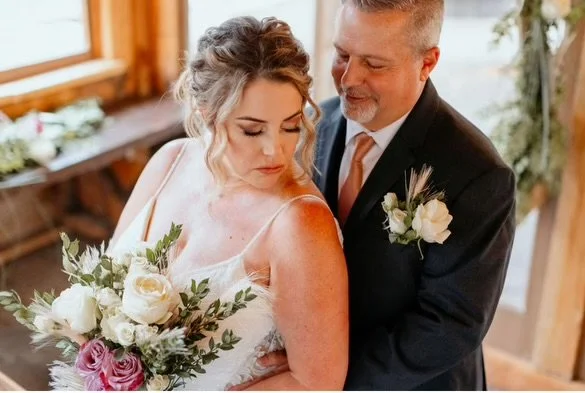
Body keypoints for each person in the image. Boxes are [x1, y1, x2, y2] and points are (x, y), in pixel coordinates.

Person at [251, 0, 517, 390]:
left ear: (427, 64)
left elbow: (447, 325)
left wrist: (325, 370)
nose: (348, 79)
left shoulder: (479, 175)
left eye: (374, 64)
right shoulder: (308, 127)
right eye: (342, 54)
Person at [109, 16, 348, 391]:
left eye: (289, 126)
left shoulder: (299, 225)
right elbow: (108, 285)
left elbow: (317, 382)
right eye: (252, 129)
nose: (276, 150)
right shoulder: (169, 161)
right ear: (207, 114)